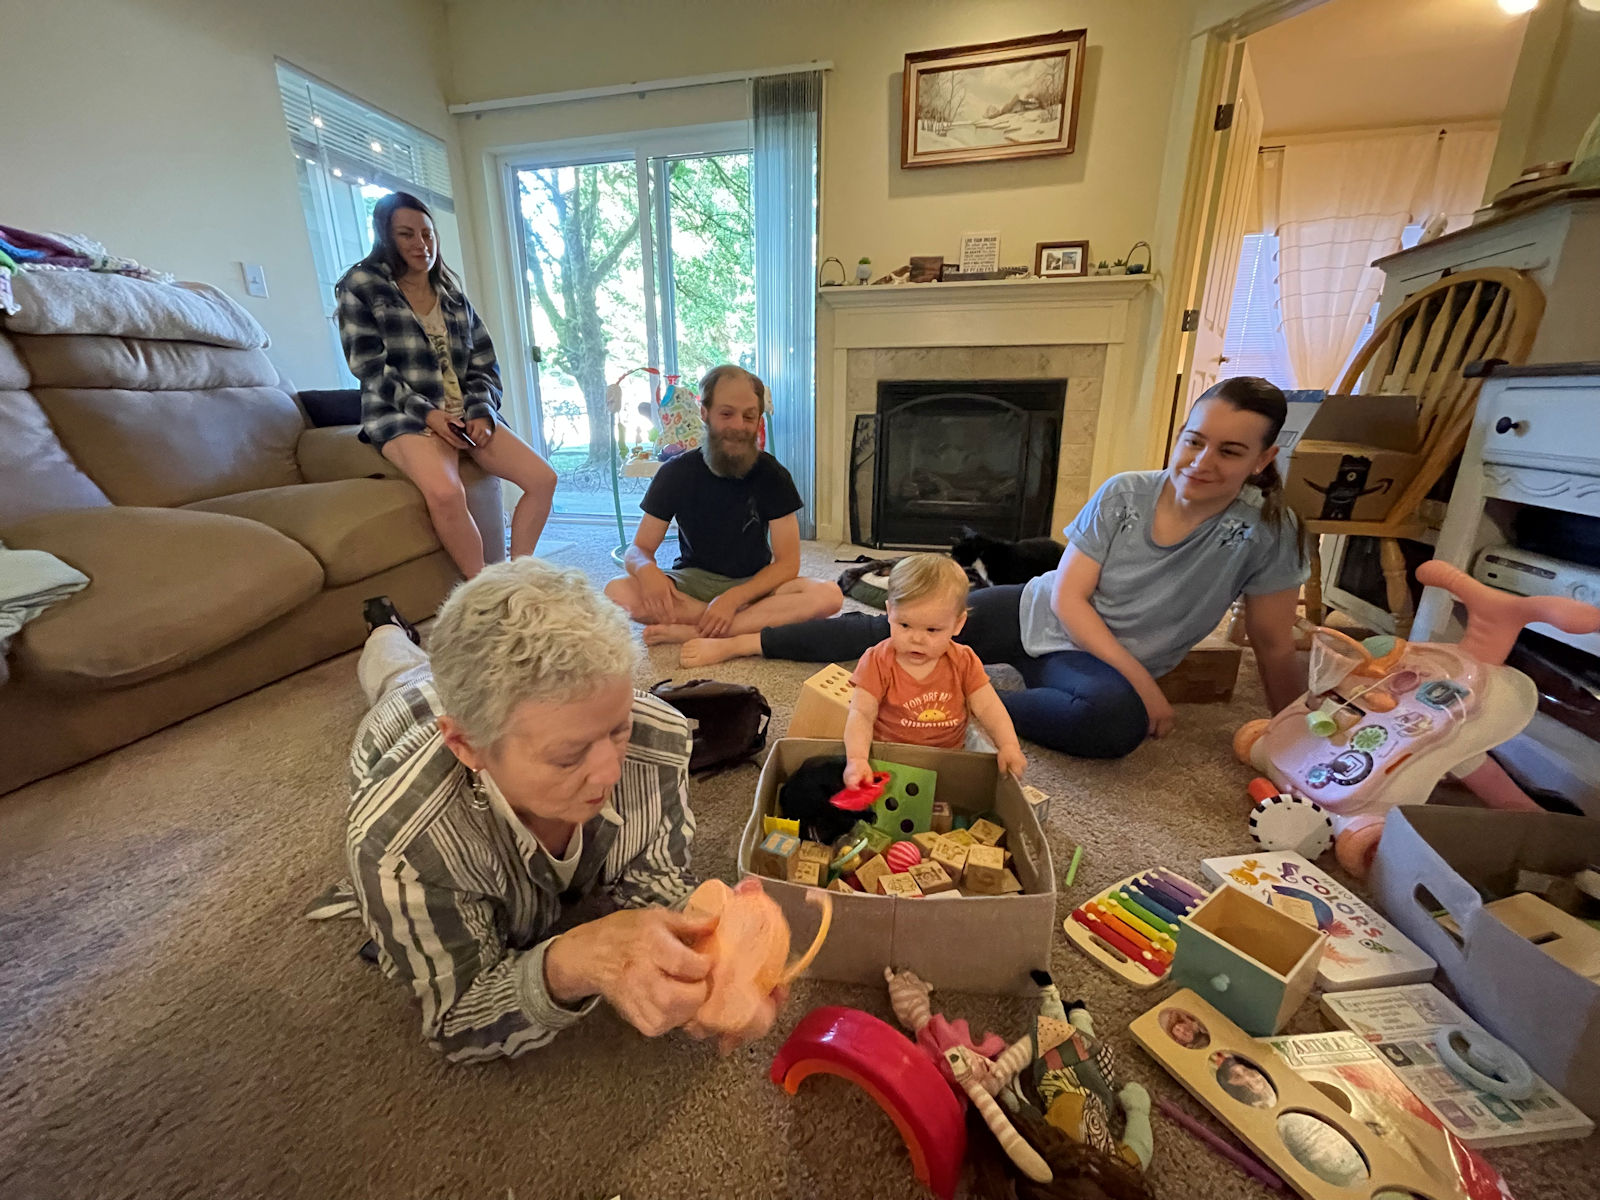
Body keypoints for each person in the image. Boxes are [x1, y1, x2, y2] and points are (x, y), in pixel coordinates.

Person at [681, 377, 1308, 760]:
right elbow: (1068, 601)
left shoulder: (1270, 532)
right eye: (1194, 440)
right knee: (895, 628)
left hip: (1090, 667)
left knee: (1116, 725)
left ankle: (960, 694)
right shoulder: (1126, 494)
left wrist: (1294, 736)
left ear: (1262, 459)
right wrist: (1147, 685)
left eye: (1230, 451)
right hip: (1036, 611)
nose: (1201, 462)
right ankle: (745, 642)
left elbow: (1275, 644)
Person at [313, 561, 780, 1063]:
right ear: (467, 747)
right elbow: (456, 1017)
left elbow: (656, 878)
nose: (611, 773)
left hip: (481, 708)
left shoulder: (655, 734)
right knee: (396, 671)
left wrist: (712, 941)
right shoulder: (400, 843)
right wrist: (571, 962)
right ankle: (385, 630)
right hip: (402, 714)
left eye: (617, 728)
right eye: (568, 756)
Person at [337, 191, 556, 578]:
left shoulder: (453, 299)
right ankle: (482, 588)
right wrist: (431, 416)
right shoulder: (361, 285)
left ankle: (517, 578)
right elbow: (368, 366)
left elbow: (484, 366)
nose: (421, 244)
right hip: (402, 416)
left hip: (464, 415)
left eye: (427, 233)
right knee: (446, 492)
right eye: (406, 234)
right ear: (386, 237)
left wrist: (481, 412)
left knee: (543, 479)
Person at [604, 364, 842, 646]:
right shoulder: (675, 473)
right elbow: (638, 549)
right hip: (692, 581)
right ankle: (742, 623)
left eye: (748, 416)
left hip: (754, 585)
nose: (738, 426)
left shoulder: (773, 475)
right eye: (727, 414)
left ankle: (697, 631)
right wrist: (647, 571)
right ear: (704, 413)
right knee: (617, 592)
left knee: (829, 595)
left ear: (758, 420)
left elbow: (787, 564)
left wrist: (733, 599)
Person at [843, 554, 1026, 788]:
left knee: (997, 776)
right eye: (904, 625)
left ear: (958, 624)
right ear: (889, 612)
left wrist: (1009, 745)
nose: (917, 639)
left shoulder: (963, 660)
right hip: (891, 755)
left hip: (952, 753)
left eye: (932, 630)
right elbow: (861, 713)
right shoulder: (877, 661)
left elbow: (989, 707)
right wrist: (857, 759)